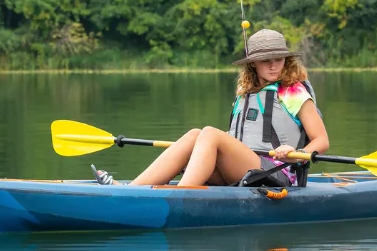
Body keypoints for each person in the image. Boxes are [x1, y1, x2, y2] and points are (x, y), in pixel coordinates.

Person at [94, 29, 329, 186]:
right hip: (245, 169)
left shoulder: (293, 91)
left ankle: (178, 197)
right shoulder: (247, 93)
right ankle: (131, 190)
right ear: (253, 63)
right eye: (266, 60)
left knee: (208, 133)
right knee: (196, 135)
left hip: (276, 172)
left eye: (278, 59)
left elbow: (322, 141)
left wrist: (294, 152)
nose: (273, 65)